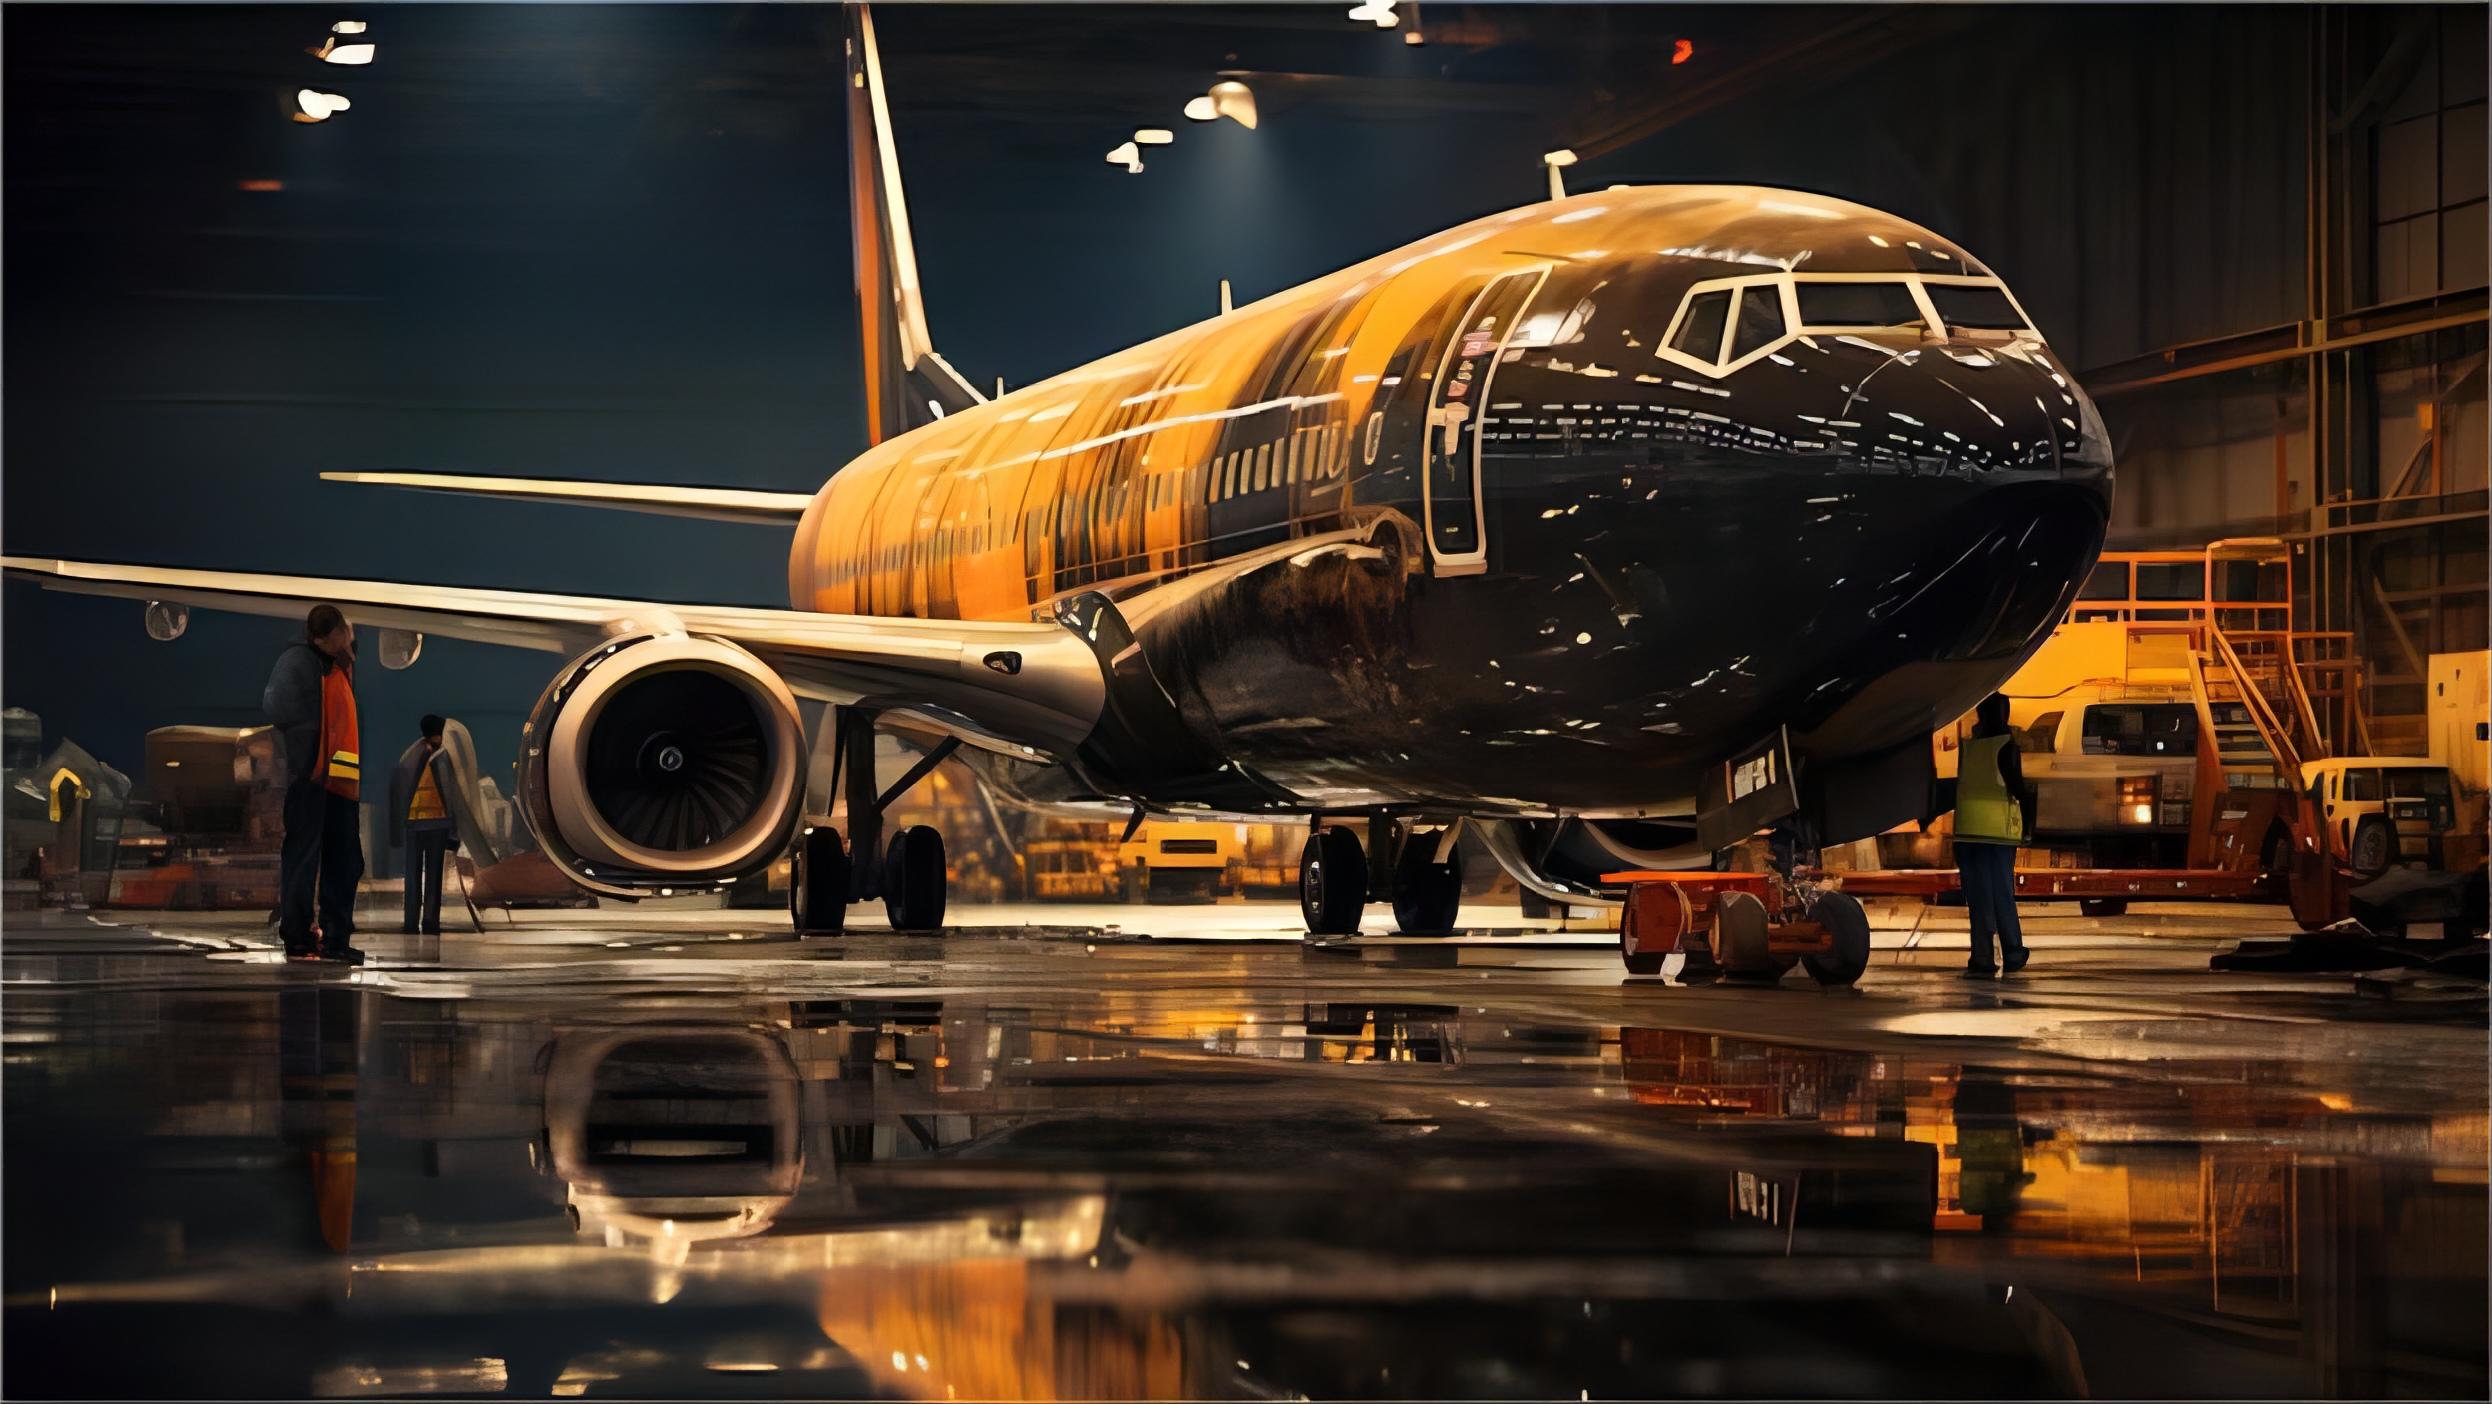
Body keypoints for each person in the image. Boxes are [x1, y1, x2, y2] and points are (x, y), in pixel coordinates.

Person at [265, 605, 366, 964]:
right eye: (344, 633)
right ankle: (299, 936)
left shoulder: (337, 664)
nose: (350, 638)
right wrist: (307, 755)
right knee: (304, 859)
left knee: (345, 862)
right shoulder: (300, 662)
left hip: (339, 785)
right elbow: (276, 706)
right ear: (329, 635)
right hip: (312, 781)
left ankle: (335, 938)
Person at [1949, 692, 2037, 978]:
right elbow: (2016, 787)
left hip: (1966, 833)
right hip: (1996, 834)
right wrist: (2031, 820)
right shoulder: (2006, 746)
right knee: (2001, 895)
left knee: (1977, 898)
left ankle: (1982, 957)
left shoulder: (1970, 748)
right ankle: (2012, 952)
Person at [388, 714, 463, 936]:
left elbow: (397, 793)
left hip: (416, 825)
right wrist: (454, 830)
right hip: (436, 825)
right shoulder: (441, 757)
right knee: (432, 876)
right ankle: (429, 922)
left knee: (413, 876)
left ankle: (412, 922)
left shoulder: (408, 758)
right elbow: (453, 795)